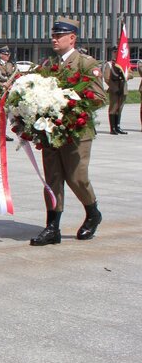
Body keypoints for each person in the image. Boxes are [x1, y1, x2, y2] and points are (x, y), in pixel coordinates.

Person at [30, 16, 106, 246]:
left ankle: (93, 213)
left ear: (72, 38)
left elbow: (100, 97)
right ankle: (52, 227)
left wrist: (70, 105)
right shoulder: (47, 65)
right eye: (53, 35)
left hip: (77, 132)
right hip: (52, 131)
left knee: (76, 178)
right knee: (52, 179)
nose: (54, 39)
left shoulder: (85, 64)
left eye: (59, 35)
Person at [103, 48, 130, 135]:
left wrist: (125, 74)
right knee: (113, 108)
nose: (116, 54)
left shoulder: (124, 64)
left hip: (123, 89)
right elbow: (107, 78)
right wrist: (115, 88)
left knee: (120, 108)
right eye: (115, 52)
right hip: (114, 90)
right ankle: (113, 128)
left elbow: (131, 74)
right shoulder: (109, 64)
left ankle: (118, 126)